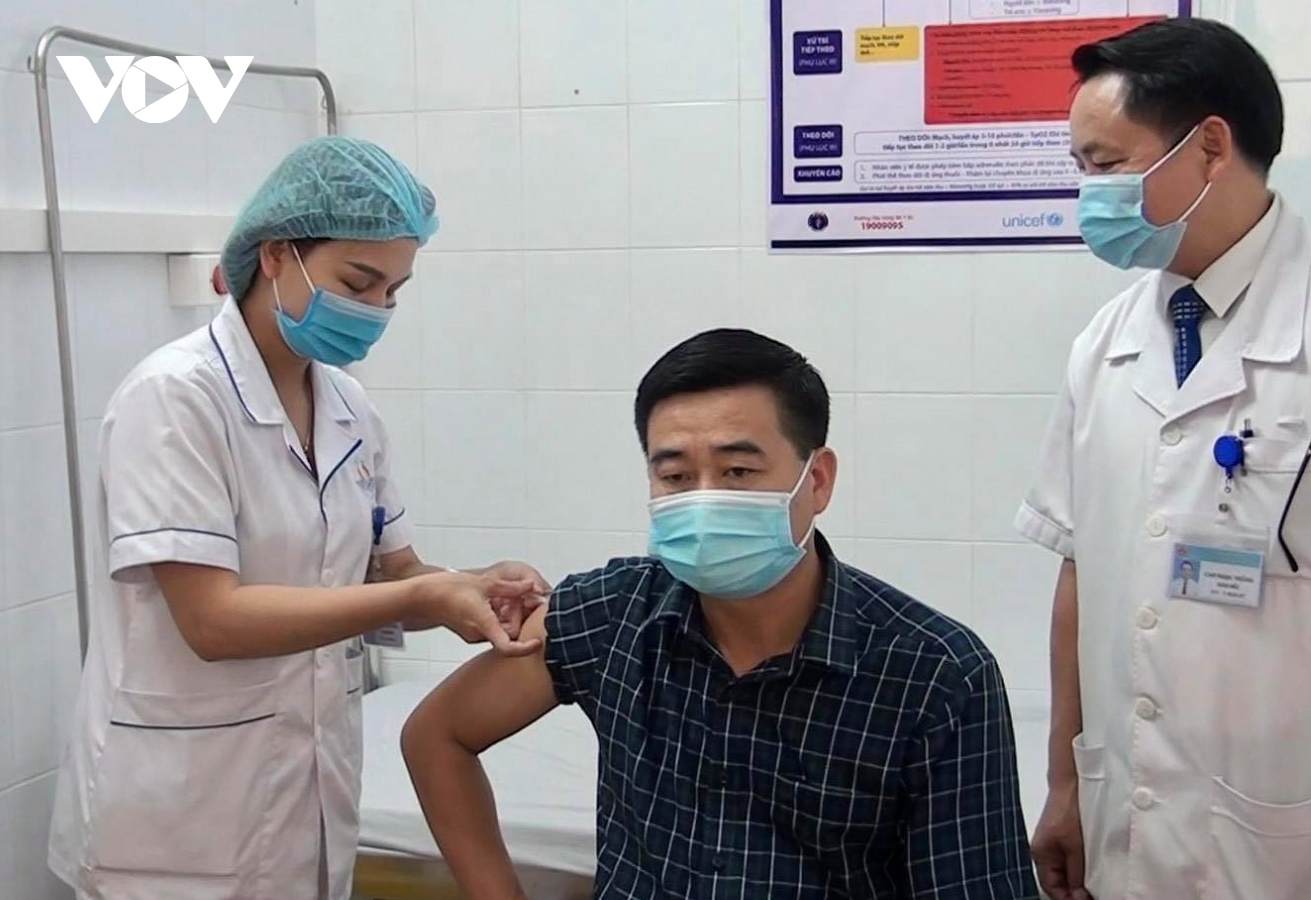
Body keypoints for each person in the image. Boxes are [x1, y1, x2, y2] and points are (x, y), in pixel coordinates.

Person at [1016, 18, 1311, 900]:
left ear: (1210, 147)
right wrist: (1065, 783)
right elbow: (1079, 570)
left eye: (1107, 164)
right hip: (1128, 822)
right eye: (1080, 167)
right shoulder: (1105, 345)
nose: (1089, 194)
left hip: (1295, 838)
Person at [48, 135, 550, 900]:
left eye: (393, 291)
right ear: (277, 255)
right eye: (358, 282)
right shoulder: (175, 398)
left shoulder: (349, 408)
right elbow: (212, 621)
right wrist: (422, 594)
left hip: (307, 797)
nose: (376, 310)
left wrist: (471, 587)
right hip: (177, 820)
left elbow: (390, 572)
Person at [401, 328, 1039, 900]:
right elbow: (437, 737)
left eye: (737, 470)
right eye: (676, 477)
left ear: (817, 480)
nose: (705, 500)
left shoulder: (933, 674)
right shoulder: (614, 614)